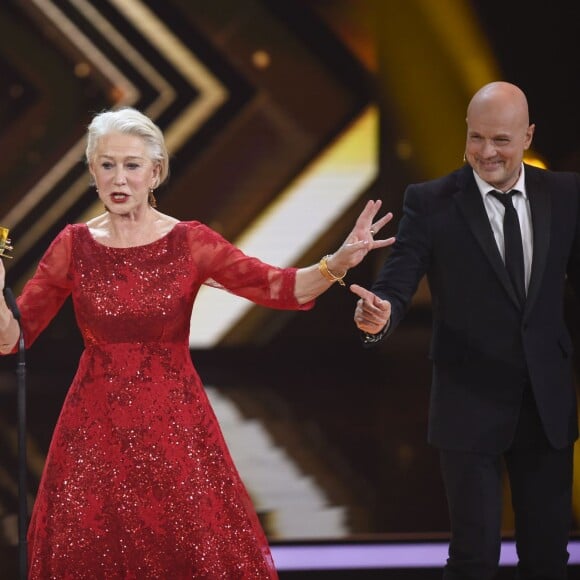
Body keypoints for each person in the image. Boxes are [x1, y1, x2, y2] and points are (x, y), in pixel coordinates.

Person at [0, 107, 394, 579]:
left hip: (175, 426)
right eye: (106, 164)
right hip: (94, 430)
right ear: (92, 171)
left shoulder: (189, 241)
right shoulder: (73, 244)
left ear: (155, 172)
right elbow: (13, 338)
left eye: (131, 165)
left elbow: (280, 287)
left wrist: (338, 262)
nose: (119, 177)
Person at [352, 81, 580, 579]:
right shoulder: (431, 201)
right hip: (468, 401)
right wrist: (381, 311)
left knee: (548, 558)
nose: (485, 152)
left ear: (527, 136)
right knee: (474, 558)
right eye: (476, 138)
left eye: (500, 139)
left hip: (546, 405)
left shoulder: (565, 194)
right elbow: (399, 275)